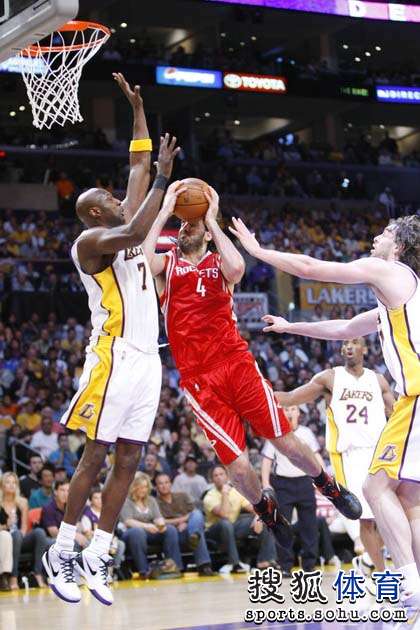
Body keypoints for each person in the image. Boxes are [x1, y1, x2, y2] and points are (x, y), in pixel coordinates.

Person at [142, 185, 361, 552]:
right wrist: (165, 210)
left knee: (284, 441)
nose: (186, 226)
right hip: (199, 380)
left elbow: (239, 267)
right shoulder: (168, 265)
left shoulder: (219, 263)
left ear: (208, 234)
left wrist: (211, 219)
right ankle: (266, 510)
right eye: (183, 224)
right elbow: (143, 260)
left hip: (236, 364)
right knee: (239, 467)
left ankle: (328, 484)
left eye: (193, 224)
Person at [230, 214, 420, 609]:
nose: (376, 236)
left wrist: (257, 251)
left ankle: (408, 582)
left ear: (399, 246)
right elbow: (344, 328)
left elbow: (310, 267)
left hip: (415, 397)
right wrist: (290, 327)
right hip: (412, 401)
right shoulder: (398, 296)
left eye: (386, 233)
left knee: (374, 489)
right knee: (407, 499)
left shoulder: (390, 271)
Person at [42, 72, 182, 607]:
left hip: (148, 359)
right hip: (114, 355)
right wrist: (165, 181)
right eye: (110, 197)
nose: (121, 196)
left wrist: (138, 111)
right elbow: (136, 226)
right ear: (97, 211)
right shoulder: (92, 241)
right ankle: (61, 550)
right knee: (96, 454)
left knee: (129, 460)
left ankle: (99, 552)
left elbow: (137, 167)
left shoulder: (123, 221)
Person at [275, 338, 394, 580]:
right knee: (366, 520)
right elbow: (291, 397)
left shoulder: (378, 380)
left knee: (393, 515)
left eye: (354, 342)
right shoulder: (330, 378)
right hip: (349, 456)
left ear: (365, 349)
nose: (348, 346)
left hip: (379, 453)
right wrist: (253, 395)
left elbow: (396, 414)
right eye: (345, 343)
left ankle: (369, 561)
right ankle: (382, 577)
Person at [261, 406, 324, 575]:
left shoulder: (306, 433)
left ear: (299, 413)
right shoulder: (274, 433)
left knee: (309, 526)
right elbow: (267, 460)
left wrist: (323, 479)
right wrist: (266, 483)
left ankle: (309, 565)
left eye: (293, 409)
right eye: (286, 409)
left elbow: (316, 455)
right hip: (282, 484)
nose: (289, 413)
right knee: (283, 525)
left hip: (305, 481)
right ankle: (285, 565)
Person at [204, 465, 277, 572]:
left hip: (233, 526)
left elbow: (253, 508)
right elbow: (224, 514)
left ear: (227, 476)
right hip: (215, 531)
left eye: (221, 474)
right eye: (216, 475)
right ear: (212, 480)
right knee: (225, 523)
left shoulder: (235, 492)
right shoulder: (209, 496)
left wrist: (258, 517)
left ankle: (264, 560)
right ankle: (235, 563)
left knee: (265, 519)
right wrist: (224, 493)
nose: (219, 477)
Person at [120, 472, 182, 578]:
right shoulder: (126, 501)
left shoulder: (151, 500)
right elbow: (128, 521)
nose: (143, 490)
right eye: (140, 487)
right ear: (134, 487)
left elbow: (158, 517)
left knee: (170, 529)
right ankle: (144, 571)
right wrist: (147, 526)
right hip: (130, 533)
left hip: (150, 531)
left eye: (145, 487)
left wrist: (161, 525)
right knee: (137, 532)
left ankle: (174, 567)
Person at [155, 472, 215, 576]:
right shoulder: (154, 502)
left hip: (189, 530)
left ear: (171, 484)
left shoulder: (182, 496)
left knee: (197, 516)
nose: (164, 486)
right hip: (172, 534)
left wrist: (187, 524)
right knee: (185, 528)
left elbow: (194, 513)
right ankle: (185, 567)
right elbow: (160, 521)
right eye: (161, 483)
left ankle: (203, 565)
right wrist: (182, 520)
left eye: (166, 482)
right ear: (156, 487)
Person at [0, 472, 50, 589]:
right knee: (15, 535)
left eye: (14, 482)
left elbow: (24, 528)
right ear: (2, 485)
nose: (11, 485)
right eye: (8, 482)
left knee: (39, 532)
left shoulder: (22, 502)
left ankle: (38, 573)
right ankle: (13, 577)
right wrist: (7, 525)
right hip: (4, 540)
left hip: (20, 538)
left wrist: (20, 534)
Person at [80, 488, 125, 578]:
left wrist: (111, 538)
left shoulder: (108, 513)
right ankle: (98, 570)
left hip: (107, 539)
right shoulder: (87, 514)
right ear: (91, 500)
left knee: (120, 544)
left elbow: (111, 530)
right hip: (93, 540)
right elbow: (87, 533)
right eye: (96, 498)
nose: (99, 500)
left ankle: (114, 568)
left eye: (101, 498)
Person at [41, 481, 88, 550]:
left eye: (68, 491)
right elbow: (54, 533)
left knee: (88, 542)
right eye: (62, 490)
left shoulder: (70, 507)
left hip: (66, 538)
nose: (65, 494)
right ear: (55, 492)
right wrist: (73, 535)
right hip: (50, 540)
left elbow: (77, 526)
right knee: (74, 542)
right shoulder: (48, 508)